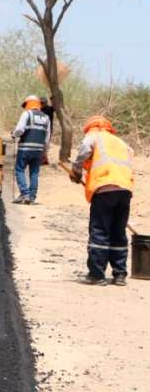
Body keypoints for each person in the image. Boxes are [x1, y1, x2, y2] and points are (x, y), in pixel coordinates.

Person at [70, 115, 134, 286]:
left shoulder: (94, 137)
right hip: (125, 190)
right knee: (118, 232)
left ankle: (97, 275)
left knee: (100, 231)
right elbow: (129, 157)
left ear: (92, 127)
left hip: (104, 188)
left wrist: (76, 170)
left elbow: (84, 149)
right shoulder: (120, 142)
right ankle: (119, 274)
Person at [11, 95, 51, 204]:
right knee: (34, 172)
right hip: (38, 150)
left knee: (19, 170)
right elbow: (47, 138)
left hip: (25, 148)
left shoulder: (27, 114)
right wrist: (45, 152)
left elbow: (19, 129)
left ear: (28, 103)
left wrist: (14, 135)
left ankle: (24, 193)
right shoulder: (46, 118)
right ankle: (32, 196)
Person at [40, 96, 56, 165]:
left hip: (48, 130)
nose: (42, 103)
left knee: (46, 144)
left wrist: (53, 99)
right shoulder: (39, 110)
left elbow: (55, 106)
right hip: (40, 130)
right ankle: (43, 160)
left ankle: (44, 160)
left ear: (46, 102)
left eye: (43, 102)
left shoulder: (50, 109)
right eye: (41, 102)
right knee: (41, 145)